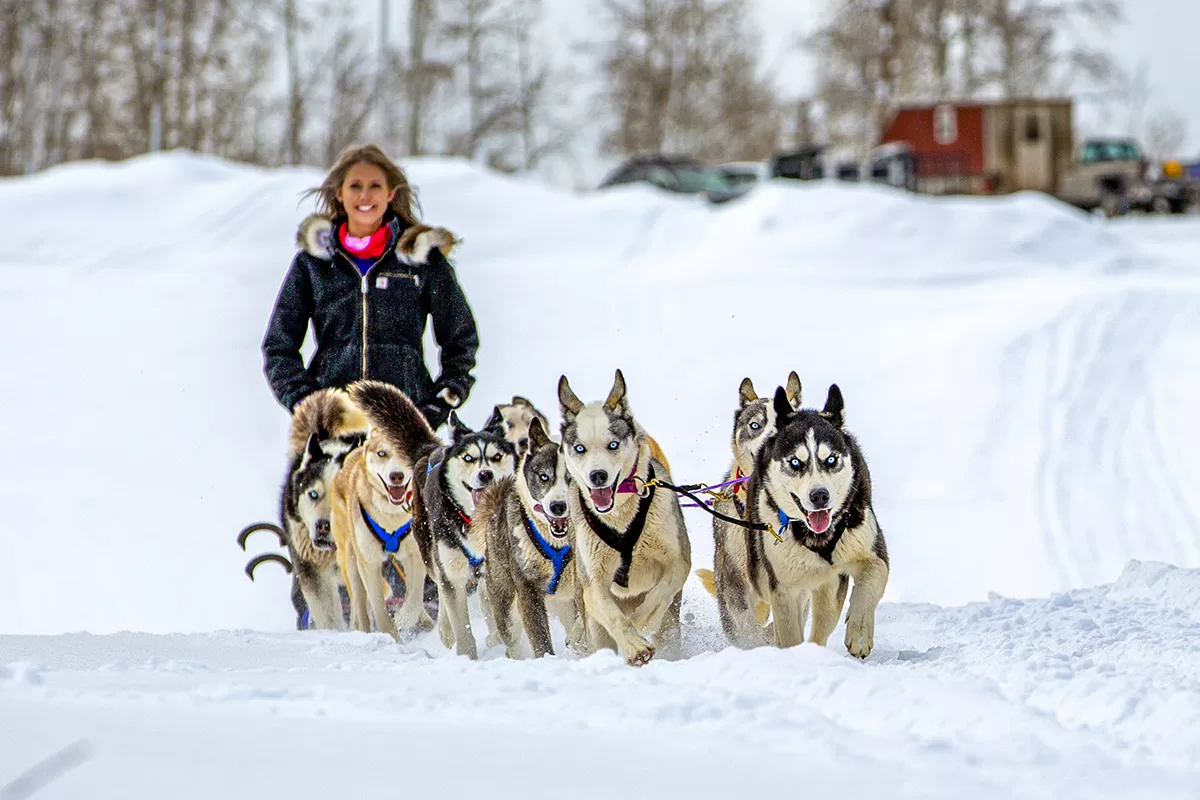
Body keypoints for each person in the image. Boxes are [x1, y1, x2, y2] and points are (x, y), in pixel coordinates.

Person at [262, 143, 479, 430]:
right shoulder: (313, 264)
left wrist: (438, 404)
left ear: (390, 193)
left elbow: (461, 339)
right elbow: (279, 347)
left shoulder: (421, 260)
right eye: (355, 186)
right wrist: (308, 404)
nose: (365, 196)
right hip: (336, 430)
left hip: (405, 430)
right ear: (339, 193)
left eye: (375, 186)